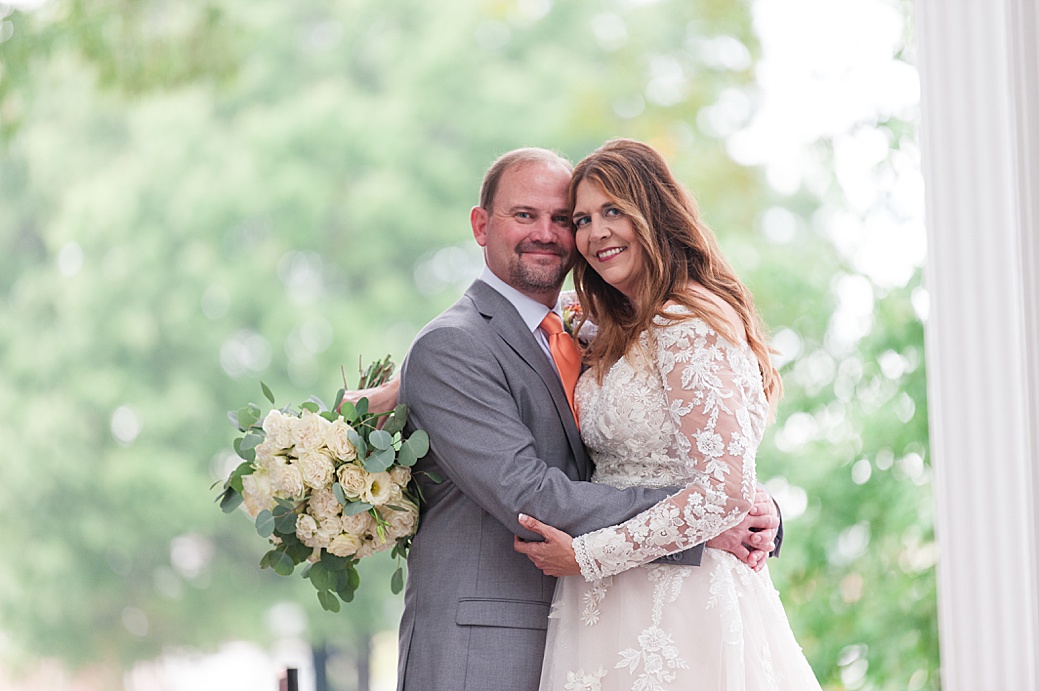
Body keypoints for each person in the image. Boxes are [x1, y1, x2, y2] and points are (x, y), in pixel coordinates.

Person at [378, 147, 783, 691]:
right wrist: (707, 526)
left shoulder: (604, 326)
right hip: (492, 647)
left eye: (565, 219)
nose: (551, 233)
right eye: (525, 215)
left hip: (640, 615)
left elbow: (711, 455)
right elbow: (531, 494)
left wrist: (746, 505)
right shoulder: (454, 344)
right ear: (481, 225)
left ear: (651, 216)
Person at [512, 139, 822, 689]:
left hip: (683, 604)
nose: (596, 232)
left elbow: (725, 491)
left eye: (614, 210)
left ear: (653, 212)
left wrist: (589, 555)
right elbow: (505, 331)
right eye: (582, 219)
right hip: (605, 609)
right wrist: (399, 387)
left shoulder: (688, 323)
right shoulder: (608, 325)